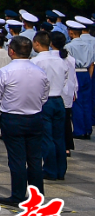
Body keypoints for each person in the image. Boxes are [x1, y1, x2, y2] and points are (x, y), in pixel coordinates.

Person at [0, 35, 49, 205]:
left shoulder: (5, 71)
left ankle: (18, 195)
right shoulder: (40, 71)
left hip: (13, 117)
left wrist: (3, 112)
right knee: (35, 159)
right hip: (35, 116)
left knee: (17, 159)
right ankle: (37, 195)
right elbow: (44, 95)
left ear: (11, 51)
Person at [32, 31, 75, 181]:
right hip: (58, 99)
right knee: (59, 137)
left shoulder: (36, 61)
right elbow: (65, 80)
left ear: (37, 43)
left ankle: (50, 169)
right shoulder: (61, 61)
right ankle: (60, 170)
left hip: (45, 101)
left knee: (46, 137)